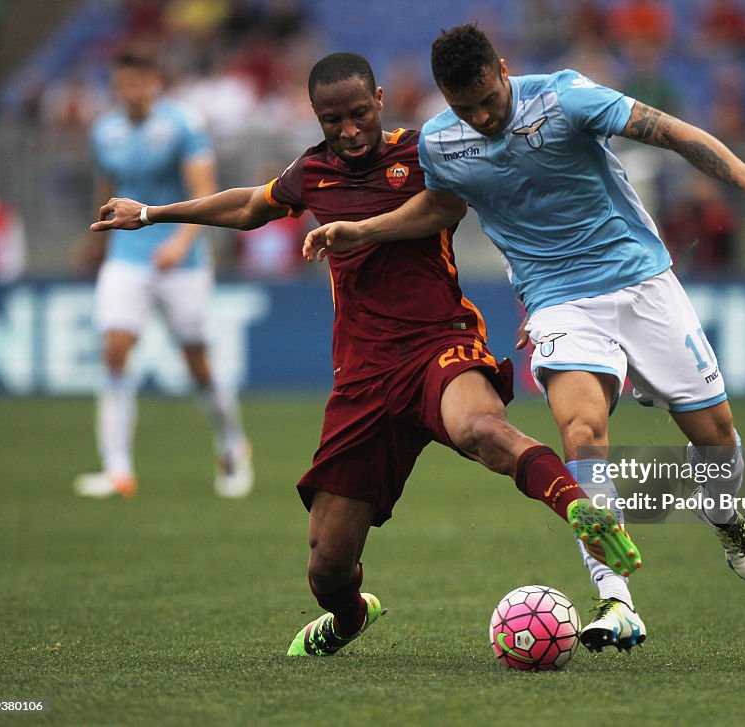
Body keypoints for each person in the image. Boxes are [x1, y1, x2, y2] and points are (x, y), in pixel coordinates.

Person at [89, 52, 643, 656]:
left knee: (483, 429)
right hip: (362, 376)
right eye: (333, 120)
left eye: (358, 114)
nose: (349, 131)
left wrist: (367, 232)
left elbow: (452, 206)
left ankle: (583, 510)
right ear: (316, 116)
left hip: (439, 343)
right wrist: (149, 213)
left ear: (380, 99)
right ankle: (350, 616)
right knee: (326, 567)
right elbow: (252, 206)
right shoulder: (312, 171)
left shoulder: (423, 151)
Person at [305, 25, 745, 636]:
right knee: (582, 432)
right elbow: (441, 206)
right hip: (558, 303)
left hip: (641, 282)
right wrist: (361, 230)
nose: (481, 118)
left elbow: (674, 132)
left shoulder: (565, 99)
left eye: (488, 101)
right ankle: (616, 600)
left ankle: (719, 506)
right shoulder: (442, 143)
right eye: (463, 108)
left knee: (714, 437)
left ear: (503, 71)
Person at [74, 49, 252, 500]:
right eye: (121, 85)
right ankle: (117, 469)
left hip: (181, 260)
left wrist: (181, 241)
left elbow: (203, 192)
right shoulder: (105, 131)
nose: (129, 93)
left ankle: (232, 444)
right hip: (127, 257)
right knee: (115, 347)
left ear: (154, 80)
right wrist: (95, 242)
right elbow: (105, 193)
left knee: (197, 363)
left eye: (136, 83)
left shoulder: (183, 125)